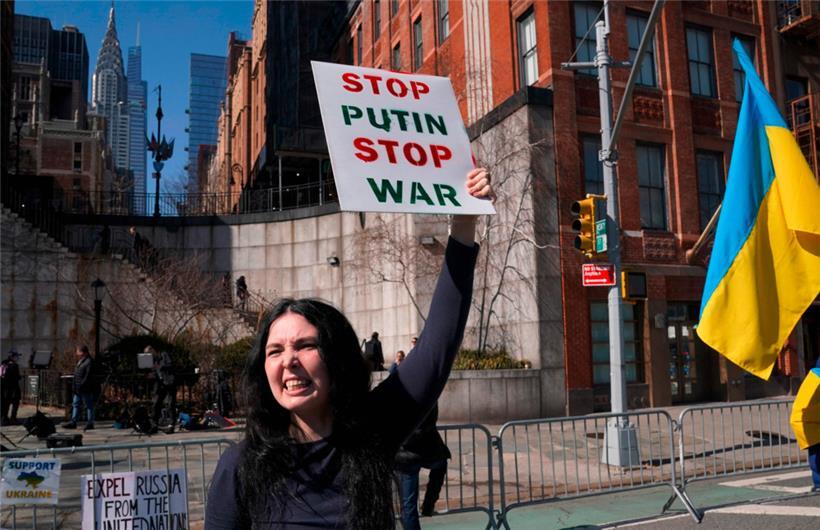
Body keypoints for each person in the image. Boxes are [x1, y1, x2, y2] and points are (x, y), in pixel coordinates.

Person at [205, 168, 492, 529]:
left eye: (305, 345)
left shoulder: (373, 431)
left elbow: (438, 344)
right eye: (274, 351)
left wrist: (464, 223)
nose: (289, 360)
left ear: (337, 359)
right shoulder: (240, 466)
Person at [395, 403, 451, 528]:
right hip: (426, 450)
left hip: (406, 454)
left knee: (408, 506)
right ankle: (428, 505)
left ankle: (428, 505)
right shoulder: (428, 394)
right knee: (441, 464)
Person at [63, 345, 99, 430]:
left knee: (88, 405)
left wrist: (82, 385)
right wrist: (75, 386)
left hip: (85, 388)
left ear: (83, 352)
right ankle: (73, 422)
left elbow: (88, 376)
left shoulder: (89, 362)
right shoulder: (81, 361)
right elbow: (77, 374)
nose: (77, 353)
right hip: (78, 388)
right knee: (75, 404)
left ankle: (90, 423)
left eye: (78, 351)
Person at [147, 345, 177, 428]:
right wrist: (152, 375)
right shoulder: (154, 360)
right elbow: (155, 371)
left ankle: (172, 423)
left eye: (149, 353)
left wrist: (160, 367)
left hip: (169, 382)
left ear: (153, 350)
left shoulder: (164, 355)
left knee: (170, 404)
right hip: (161, 384)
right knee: (156, 402)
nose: (149, 355)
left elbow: (170, 365)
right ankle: (154, 422)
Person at [1, 350, 22, 425]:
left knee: (5, 404)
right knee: (15, 403)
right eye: (16, 356)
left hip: (4, 388)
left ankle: (4, 419)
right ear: (12, 357)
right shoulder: (14, 365)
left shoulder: (3, 363)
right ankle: (13, 419)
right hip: (13, 388)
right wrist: (20, 377)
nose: (17, 358)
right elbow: (16, 377)